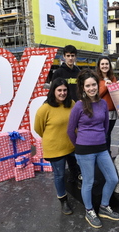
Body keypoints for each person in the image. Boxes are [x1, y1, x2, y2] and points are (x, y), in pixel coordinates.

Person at [67, 69, 119, 228]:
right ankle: (89, 210)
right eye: (88, 86)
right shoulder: (78, 106)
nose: (92, 88)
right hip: (84, 150)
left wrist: (98, 140)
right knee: (88, 182)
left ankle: (104, 207)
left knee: (113, 178)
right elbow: (70, 130)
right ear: (83, 88)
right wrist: (79, 146)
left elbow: (105, 126)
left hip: (101, 148)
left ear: (98, 85)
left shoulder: (103, 103)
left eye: (94, 85)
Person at [34, 78, 75, 215]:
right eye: (59, 90)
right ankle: (63, 200)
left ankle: (75, 188)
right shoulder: (45, 109)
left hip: (72, 145)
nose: (62, 93)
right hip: (55, 148)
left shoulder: (72, 104)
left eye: (64, 90)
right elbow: (38, 128)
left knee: (77, 170)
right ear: (53, 91)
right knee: (59, 175)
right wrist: (53, 137)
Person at [51, 45, 81, 182]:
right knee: (66, 139)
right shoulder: (58, 73)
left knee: (76, 141)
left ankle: (76, 173)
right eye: (68, 56)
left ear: (75, 57)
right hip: (63, 111)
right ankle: (66, 174)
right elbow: (53, 92)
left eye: (72, 56)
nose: (70, 58)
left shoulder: (78, 71)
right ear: (63, 57)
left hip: (77, 110)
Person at [96, 56, 118, 154]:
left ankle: (107, 153)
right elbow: (96, 95)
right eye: (102, 64)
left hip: (112, 111)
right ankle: (104, 153)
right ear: (99, 66)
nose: (105, 66)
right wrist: (105, 86)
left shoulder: (113, 78)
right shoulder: (95, 78)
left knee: (108, 134)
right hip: (101, 111)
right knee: (103, 134)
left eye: (106, 64)